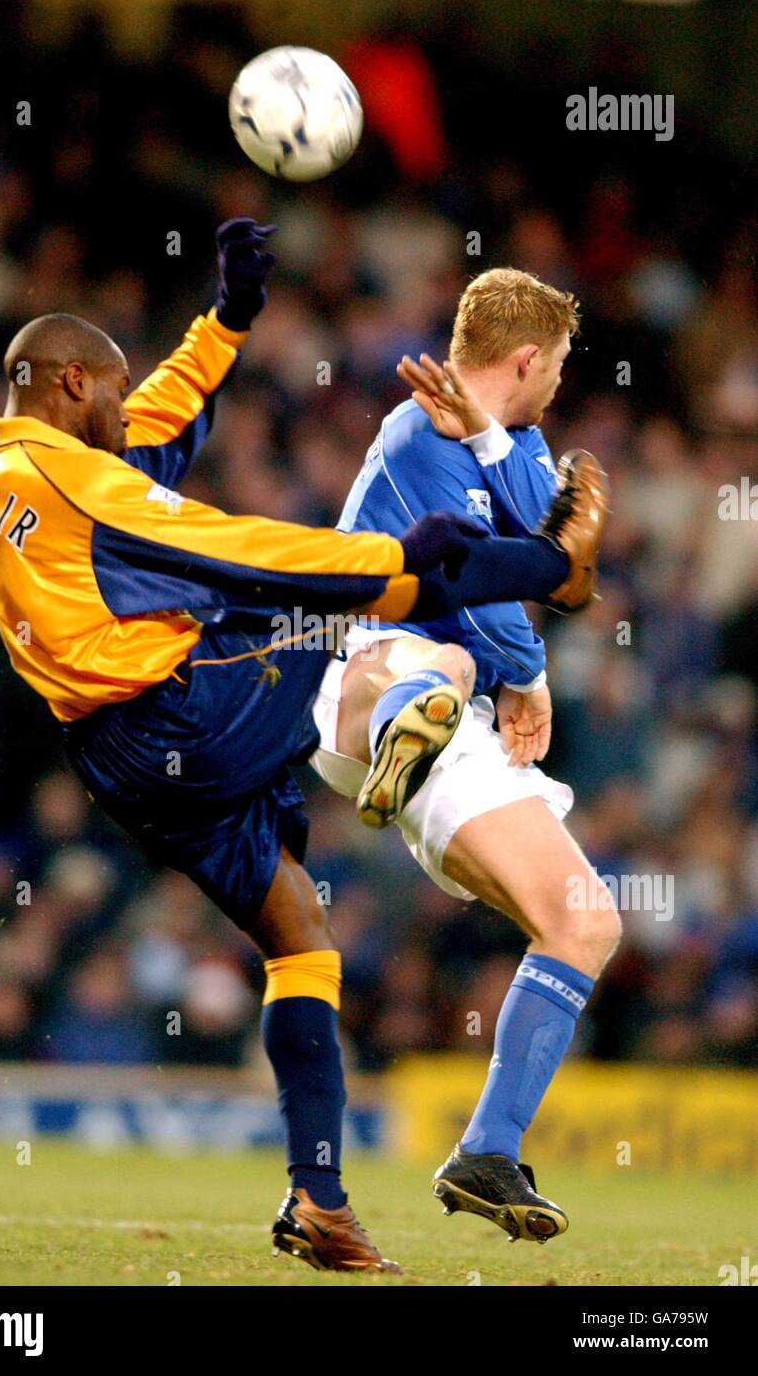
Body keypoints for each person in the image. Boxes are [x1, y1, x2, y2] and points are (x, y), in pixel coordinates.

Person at [0, 230, 605, 1272]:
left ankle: (318, 1200)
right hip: (185, 709)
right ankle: (516, 601)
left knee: (300, 931)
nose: (126, 411)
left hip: (114, 753)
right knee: (352, 619)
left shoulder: (1, 472)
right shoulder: (75, 484)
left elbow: (155, 427)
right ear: (70, 382)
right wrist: (404, 558)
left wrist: (223, 322)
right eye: (108, 393)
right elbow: (226, 544)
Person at [310, 268, 616, 1245]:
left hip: (450, 726)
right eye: (559, 365)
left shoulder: (510, 442)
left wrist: (495, 442)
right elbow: (472, 586)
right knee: (433, 648)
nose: (560, 384)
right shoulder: (412, 434)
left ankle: (486, 1150)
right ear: (528, 356)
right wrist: (525, 671)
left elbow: (559, 563)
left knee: (583, 922)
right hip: (356, 670)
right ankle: (413, 716)